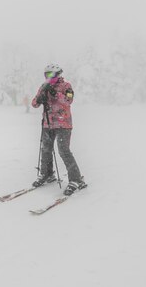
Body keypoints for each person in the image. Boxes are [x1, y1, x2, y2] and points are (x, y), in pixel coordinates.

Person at [31, 64, 87, 196]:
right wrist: (40, 98)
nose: (48, 78)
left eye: (51, 75)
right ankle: (47, 174)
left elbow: (68, 100)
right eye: (46, 75)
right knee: (45, 150)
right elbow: (34, 104)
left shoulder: (66, 86)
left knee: (64, 151)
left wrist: (55, 94)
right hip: (48, 124)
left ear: (57, 75)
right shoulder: (43, 87)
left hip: (63, 124)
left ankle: (76, 179)